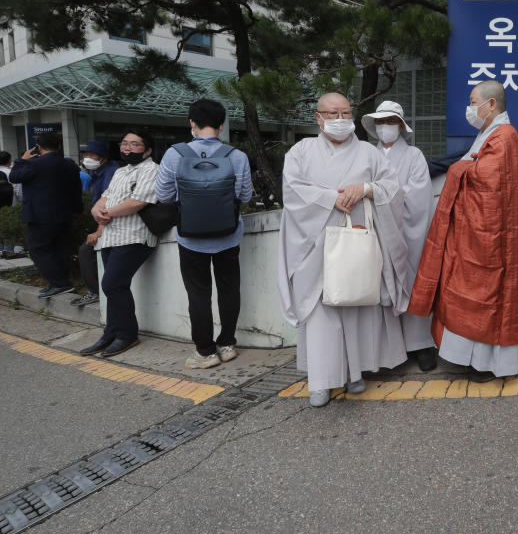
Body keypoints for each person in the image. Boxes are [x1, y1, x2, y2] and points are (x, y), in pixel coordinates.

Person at [277, 93, 409, 408]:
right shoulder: (301, 151)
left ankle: (357, 370)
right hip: (315, 242)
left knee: (357, 302)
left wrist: (365, 189)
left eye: (346, 112)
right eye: (332, 113)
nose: (340, 119)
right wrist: (329, 199)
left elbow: (393, 189)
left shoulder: (368, 153)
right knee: (322, 309)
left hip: (357, 240)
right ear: (318, 117)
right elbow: (292, 190)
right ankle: (321, 380)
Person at [407, 80, 518, 378]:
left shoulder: (505, 136)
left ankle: (488, 363)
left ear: (491, 105)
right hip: (475, 231)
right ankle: (471, 359)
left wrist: (460, 167)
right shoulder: (488, 133)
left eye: (474, 101)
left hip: (492, 237)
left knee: (487, 295)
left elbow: (489, 177)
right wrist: (465, 164)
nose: (470, 108)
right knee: (467, 291)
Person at [155, 99, 253, 369]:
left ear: (191, 123)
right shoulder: (237, 156)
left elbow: (163, 195)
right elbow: (244, 195)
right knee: (229, 289)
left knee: (198, 294)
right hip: (228, 235)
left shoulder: (174, 154)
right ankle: (228, 344)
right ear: (222, 125)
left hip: (191, 237)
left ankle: (205, 352)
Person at [361, 100, 437, 371]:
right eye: (380, 122)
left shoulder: (414, 156)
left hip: (406, 231)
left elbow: (418, 198)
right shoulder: (368, 155)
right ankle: (387, 348)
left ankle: (420, 343)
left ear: (401, 126)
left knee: (412, 280)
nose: (384, 128)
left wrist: (382, 198)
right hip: (377, 231)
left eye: (390, 122)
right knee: (380, 286)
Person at [78, 129, 159, 358]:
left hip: (135, 236)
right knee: (111, 286)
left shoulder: (152, 169)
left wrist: (107, 213)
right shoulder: (121, 171)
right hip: (112, 236)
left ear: (148, 149)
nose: (128, 148)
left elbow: (138, 202)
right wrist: (96, 210)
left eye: (135, 144)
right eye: (124, 143)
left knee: (113, 285)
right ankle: (110, 333)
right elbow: (106, 195)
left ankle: (127, 334)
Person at [9, 133, 83, 298]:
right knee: (60, 248)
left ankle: (60, 284)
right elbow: (76, 190)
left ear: (38, 146)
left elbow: (14, 177)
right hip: (65, 214)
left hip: (40, 216)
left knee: (38, 249)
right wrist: (78, 209)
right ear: (59, 146)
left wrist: (22, 160)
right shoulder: (69, 164)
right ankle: (61, 282)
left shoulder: (34, 164)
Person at [71, 140, 118, 306]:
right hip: (106, 222)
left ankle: (95, 292)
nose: (87, 158)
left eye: (92, 155)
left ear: (103, 157)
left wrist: (99, 232)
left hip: (113, 223)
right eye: (85, 154)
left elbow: (109, 204)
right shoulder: (98, 172)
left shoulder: (111, 173)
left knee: (86, 250)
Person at [0, 150, 24, 258]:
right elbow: (19, 193)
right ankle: (8, 251)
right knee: (9, 228)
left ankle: (1, 251)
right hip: (11, 206)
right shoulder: (12, 173)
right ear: (9, 161)